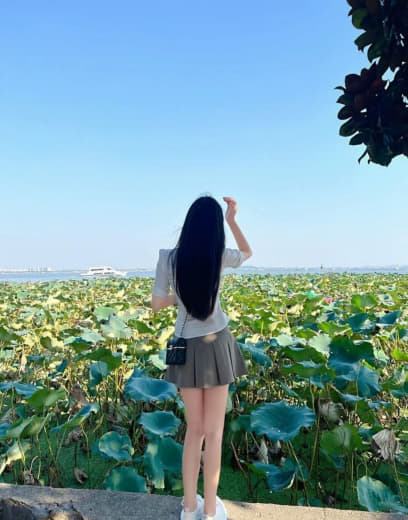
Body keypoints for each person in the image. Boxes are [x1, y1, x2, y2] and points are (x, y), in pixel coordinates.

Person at [151, 195, 252, 520]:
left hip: (186, 347)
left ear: (188, 224)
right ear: (215, 229)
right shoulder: (218, 255)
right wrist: (232, 219)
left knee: (194, 430)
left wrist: (180, 299)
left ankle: (188, 506)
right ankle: (210, 511)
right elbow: (248, 252)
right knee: (214, 432)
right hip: (217, 343)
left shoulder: (167, 258)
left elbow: (156, 303)